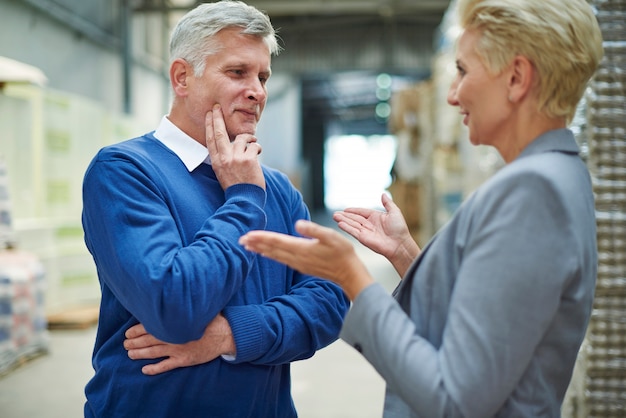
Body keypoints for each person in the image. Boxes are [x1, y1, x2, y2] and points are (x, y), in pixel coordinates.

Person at [238, 0, 604, 416]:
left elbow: (451, 399)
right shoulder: (556, 175)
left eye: (463, 71)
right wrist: (406, 254)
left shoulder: (532, 192)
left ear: (517, 78)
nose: (452, 94)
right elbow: (491, 325)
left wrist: (352, 277)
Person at [81, 1, 349, 417]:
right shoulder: (125, 172)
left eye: (262, 76)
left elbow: (330, 301)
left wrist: (232, 335)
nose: (258, 90)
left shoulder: (273, 187)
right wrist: (241, 200)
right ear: (182, 77)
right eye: (237, 72)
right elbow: (173, 306)